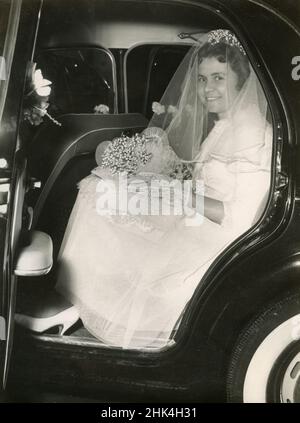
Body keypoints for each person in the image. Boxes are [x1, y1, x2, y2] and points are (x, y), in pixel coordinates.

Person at [16, 30, 272, 349]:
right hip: (198, 215)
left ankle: (81, 305)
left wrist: (177, 194)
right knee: (102, 186)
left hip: (215, 239)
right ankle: (73, 303)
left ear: (242, 79)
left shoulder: (249, 132)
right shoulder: (227, 122)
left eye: (219, 78)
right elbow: (211, 179)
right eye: (203, 79)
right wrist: (164, 173)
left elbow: (239, 217)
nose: (208, 89)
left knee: (101, 196)